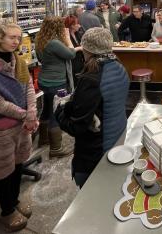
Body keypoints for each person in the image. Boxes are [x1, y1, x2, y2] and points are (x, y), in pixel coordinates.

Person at [0, 24, 37, 232]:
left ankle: (14, 201)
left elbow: (29, 86)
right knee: (4, 171)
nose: (16, 42)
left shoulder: (18, 61)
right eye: (12, 37)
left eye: (18, 38)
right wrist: (26, 115)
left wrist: (31, 113)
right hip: (1, 129)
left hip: (22, 126)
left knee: (18, 164)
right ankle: (6, 211)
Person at [55, 28, 130, 187]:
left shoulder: (92, 78)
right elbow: (107, 102)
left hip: (95, 155)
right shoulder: (118, 66)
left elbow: (76, 127)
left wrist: (60, 110)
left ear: (86, 49)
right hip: (118, 137)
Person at [35, 16, 79, 157]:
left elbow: (41, 59)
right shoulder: (54, 43)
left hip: (44, 80)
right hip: (56, 82)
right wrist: (67, 39)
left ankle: (43, 139)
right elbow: (71, 54)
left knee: (46, 108)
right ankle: (56, 148)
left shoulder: (40, 40)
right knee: (56, 111)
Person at [65, 15, 86, 81]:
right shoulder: (66, 37)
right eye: (77, 24)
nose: (79, 26)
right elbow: (68, 51)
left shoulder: (78, 34)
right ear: (71, 25)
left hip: (80, 63)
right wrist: (79, 48)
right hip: (71, 64)